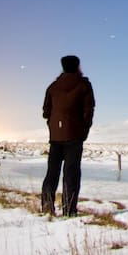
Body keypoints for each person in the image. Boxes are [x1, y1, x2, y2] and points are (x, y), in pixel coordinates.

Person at [41, 54, 95, 216]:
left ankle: (47, 207)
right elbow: (89, 110)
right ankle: (69, 210)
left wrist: (53, 125)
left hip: (56, 137)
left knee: (52, 172)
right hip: (75, 136)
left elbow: (46, 112)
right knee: (71, 174)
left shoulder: (53, 86)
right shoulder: (84, 85)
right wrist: (84, 130)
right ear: (78, 66)